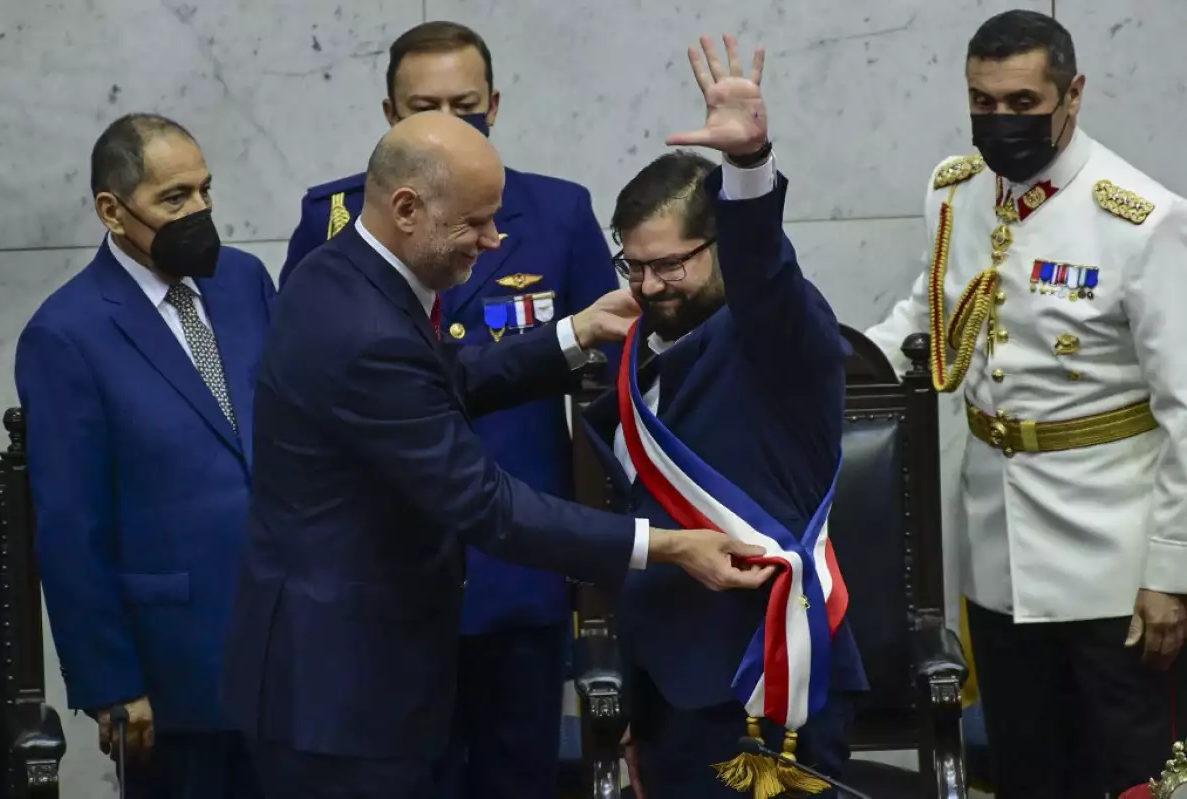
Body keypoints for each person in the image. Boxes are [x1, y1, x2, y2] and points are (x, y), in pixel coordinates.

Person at [221, 109, 775, 799]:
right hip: (341, 695)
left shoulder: (339, 273)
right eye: (476, 222)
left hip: (349, 672)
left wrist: (573, 332)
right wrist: (665, 545)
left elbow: (443, 377)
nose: (493, 240)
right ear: (407, 208)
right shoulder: (364, 328)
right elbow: (487, 504)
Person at [281, 23, 621, 795]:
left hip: (517, 567)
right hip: (382, 579)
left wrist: (600, 570)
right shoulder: (335, 221)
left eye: (466, 105)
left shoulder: (557, 213)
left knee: (517, 776)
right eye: (424, 105)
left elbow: (602, 393)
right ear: (388, 112)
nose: (449, 119)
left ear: (494, 104)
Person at [866, 9, 1187, 796]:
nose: (999, 122)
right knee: (1026, 766)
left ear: (1071, 95)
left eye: (1021, 105)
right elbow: (921, 325)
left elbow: (1185, 406)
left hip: (1114, 559)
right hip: (996, 545)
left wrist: (1171, 572)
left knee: (1130, 769)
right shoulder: (957, 195)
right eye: (982, 103)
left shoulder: (1140, 220)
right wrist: (811, 352)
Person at [573, 35, 867, 799]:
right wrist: (635, 696)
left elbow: (765, 266)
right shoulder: (637, 351)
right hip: (667, 689)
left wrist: (749, 166)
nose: (650, 284)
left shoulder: (779, 337)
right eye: (633, 265)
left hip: (768, 681)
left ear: (720, 248)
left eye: (672, 263)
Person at [14, 113, 275, 798]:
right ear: (112, 209)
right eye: (175, 198)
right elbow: (71, 527)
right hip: (174, 670)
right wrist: (111, 683)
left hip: (288, 650)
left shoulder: (245, 282)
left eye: (205, 190)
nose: (201, 211)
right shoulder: (65, 333)